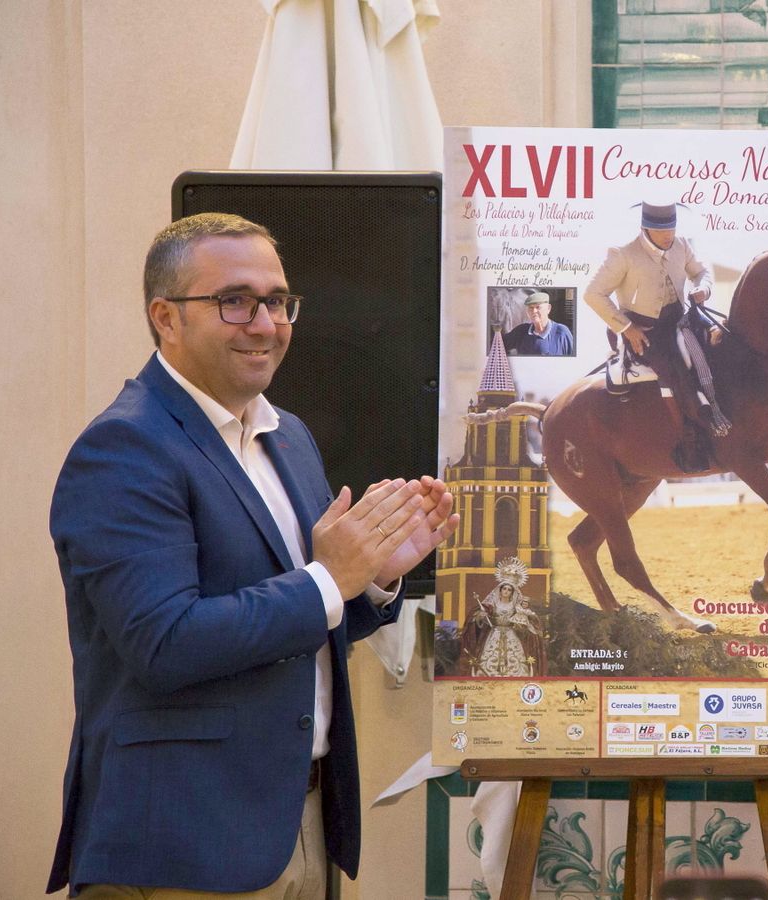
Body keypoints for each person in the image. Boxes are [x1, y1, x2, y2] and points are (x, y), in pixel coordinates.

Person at [47, 213, 461, 897]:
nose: (266, 323)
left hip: (307, 823)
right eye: (234, 301)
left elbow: (305, 624)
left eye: (278, 301)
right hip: (186, 843)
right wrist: (332, 578)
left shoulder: (287, 434)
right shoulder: (124, 450)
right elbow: (165, 642)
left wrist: (376, 582)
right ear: (166, 317)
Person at [584, 201, 727, 472]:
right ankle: (690, 438)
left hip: (680, 319)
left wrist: (703, 289)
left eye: (671, 228)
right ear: (645, 228)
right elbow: (592, 294)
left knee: (725, 344)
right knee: (673, 371)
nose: (668, 235)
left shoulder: (682, 244)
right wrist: (626, 328)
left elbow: (702, 271)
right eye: (661, 230)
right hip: (643, 330)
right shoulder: (622, 254)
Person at [457, 558, 545, 677]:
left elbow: (526, 619)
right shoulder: (491, 605)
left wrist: (523, 622)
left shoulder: (517, 606)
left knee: (515, 660)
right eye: (504, 588)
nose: (506, 591)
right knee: (489, 658)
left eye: (509, 589)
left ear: (512, 592)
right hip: (494, 633)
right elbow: (477, 617)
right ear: (500, 589)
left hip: (511, 634)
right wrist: (480, 616)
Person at [503, 291, 573, 356]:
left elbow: (574, 361)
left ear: (548, 308)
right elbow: (498, 345)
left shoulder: (561, 332)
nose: (534, 311)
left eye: (538, 307)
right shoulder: (521, 331)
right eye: (531, 308)